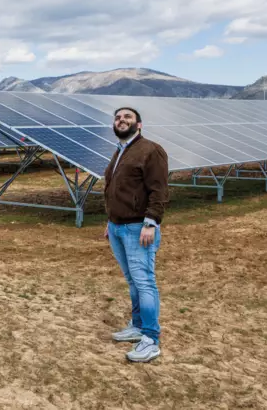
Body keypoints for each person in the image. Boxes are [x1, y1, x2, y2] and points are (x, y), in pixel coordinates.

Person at [103, 106, 169, 363]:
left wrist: (151, 222)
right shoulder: (121, 151)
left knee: (144, 282)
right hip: (117, 226)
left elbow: (159, 190)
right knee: (133, 281)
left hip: (138, 227)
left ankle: (151, 339)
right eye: (118, 118)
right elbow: (116, 189)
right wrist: (110, 221)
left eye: (127, 117)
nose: (122, 120)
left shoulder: (150, 150)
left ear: (138, 124)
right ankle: (139, 325)